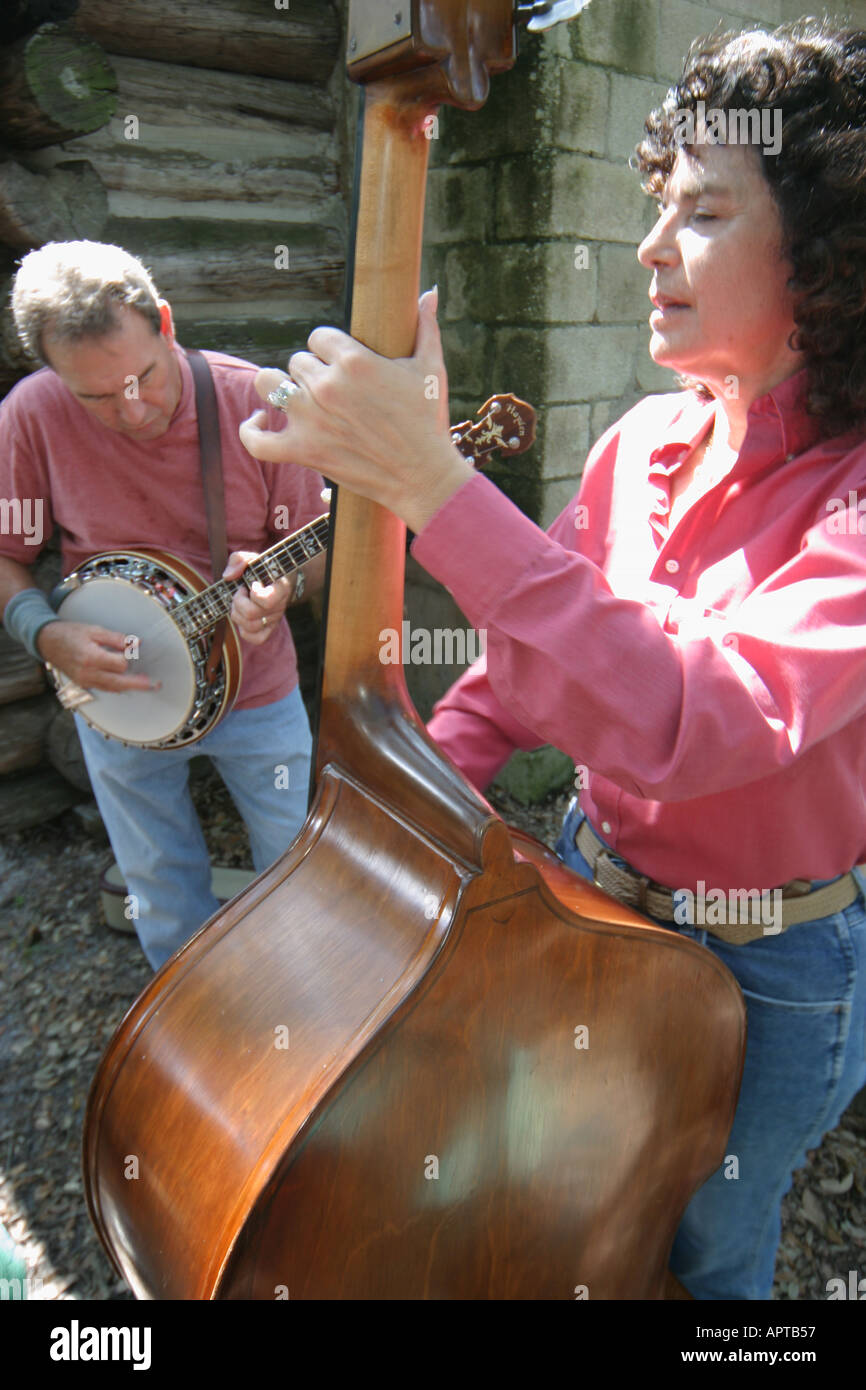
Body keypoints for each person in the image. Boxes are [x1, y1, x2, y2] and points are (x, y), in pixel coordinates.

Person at [237, 18, 866, 1300]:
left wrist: (431, 480)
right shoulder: (638, 439)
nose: (644, 248)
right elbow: (525, 674)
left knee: (700, 1255)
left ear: (831, 249)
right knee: (568, 1197)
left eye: (700, 211)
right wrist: (387, 816)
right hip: (582, 893)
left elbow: (702, 719)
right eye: (654, 203)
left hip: (771, 963)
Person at [0, 241, 327, 971]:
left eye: (142, 376)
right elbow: (8, 555)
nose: (131, 407)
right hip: (115, 698)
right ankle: (185, 1018)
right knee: (157, 882)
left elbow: (316, 559)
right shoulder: (31, 415)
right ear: (53, 375)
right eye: (96, 396)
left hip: (257, 692)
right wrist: (46, 635)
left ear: (168, 324)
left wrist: (284, 591)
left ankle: (304, 1017)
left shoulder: (259, 402)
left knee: (299, 869)